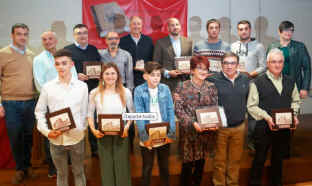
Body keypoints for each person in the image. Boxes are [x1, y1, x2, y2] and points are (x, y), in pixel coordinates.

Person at [35, 49, 88, 186]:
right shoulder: (47, 87)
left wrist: (82, 129)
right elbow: (39, 112)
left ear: (71, 64)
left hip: (76, 138)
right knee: (61, 174)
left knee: (79, 172)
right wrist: (47, 132)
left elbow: (85, 112)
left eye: (64, 63)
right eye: (57, 64)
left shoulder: (82, 87)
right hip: (56, 139)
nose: (61, 67)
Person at [247, 48, 300, 186]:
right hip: (264, 128)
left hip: (283, 129)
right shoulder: (257, 82)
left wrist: (294, 114)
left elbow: (295, 101)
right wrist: (267, 117)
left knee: (278, 160)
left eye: (280, 62)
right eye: (274, 62)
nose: (277, 65)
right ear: (268, 63)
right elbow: (251, 106)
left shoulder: (290, 81)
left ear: (283, 63)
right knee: (259, 159)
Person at [33, 31, 78, 178]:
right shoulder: (38, 60)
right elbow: (39, 83)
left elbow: (75, 76)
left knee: (69, 130)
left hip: (69, 101)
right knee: (53, 135)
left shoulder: (65, 57)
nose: (47, 41)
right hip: (50, 103)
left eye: (50, 38)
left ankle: (70, 163)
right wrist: (53, 98)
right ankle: (53, 167)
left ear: (56, 40)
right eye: (44, 39)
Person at [0, 23, 37, 184]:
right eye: (19, 34)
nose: (23, 37)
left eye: (25, 34)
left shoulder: (31, 54)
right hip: (11, 103)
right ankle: (19, 169)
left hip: (30, 102)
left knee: (28, 137)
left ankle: (27, 166)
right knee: (15, 137)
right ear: (12, 36)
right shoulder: (3, 54)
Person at [87, 62, 134, 186]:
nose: (110, 76)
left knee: (122, 165)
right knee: (106, 165)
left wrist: (127, 127)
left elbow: (132, 113)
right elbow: (90, 114)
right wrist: (93, 130)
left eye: (113, 73)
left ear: (118, 75)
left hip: (122, 133)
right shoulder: (94, 93)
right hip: (102, 134)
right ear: (102, 76)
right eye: (107, 73)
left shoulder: (126, 92)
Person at [175, 56, 218, 186]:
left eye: (205, 69)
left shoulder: (211, 87)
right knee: (187, 166)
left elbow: (215, 107)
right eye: (199, 68)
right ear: (192, 70)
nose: (203, 71)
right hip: (189, 132)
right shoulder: (182, 86)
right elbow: (178, 110)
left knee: (200, 165)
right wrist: (192, 123)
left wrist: (215, 122)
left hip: (206, 133)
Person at [208, 52, 250, 186]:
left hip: (239, 127)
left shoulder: (245, 79)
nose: (229, 66)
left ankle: (233, 183)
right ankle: (219, 183)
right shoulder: (213, 80)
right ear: (221, 65)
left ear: (237, 65)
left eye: (232, 63)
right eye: (226, 63)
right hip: (221, 129)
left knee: (235, 161)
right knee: (219, 162)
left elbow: (249, 100)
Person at [134, 61, 176, 186]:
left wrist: (171, 131)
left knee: (164, 166)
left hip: (164, 131)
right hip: (147, 133)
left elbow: (170, 110)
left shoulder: (165, 89)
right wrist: (144, 136)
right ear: (145, 76)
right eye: (152, 75)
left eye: (158, 75)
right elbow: (139, 114)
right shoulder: (139, 90)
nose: (156, 78)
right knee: (147, 167)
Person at [64, 24, 101, 157]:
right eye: (79, 33)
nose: (82, 35)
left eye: (85, 32)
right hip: (75, 92)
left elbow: (99, 68)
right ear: (74, 35)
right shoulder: (67, 50)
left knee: (93, 119)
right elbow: (63, 71)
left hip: (92, 91)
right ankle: (75, 151)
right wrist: (76, 76)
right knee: (76, 121)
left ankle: (95, 148)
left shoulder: (93, 49)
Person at [231, 20, 266, 152]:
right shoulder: (233, 46)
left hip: (252, 84)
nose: (243, 31)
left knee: (252, 115)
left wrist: (251, 74)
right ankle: (237, 140)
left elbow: (264, 66)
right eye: (240, 29)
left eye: (246, 28)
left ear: (250, 30)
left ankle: (251, 140)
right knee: (237, 113)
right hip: (236, 85)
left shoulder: (259, 46)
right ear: (238, 31)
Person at [267, 20, 311, 99]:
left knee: (293, 110)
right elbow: (268, 68)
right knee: (276, 110)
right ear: (279, 31)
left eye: (291, 30)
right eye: (286, 30)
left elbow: (307, 69)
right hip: (275, 85)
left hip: (293, 85)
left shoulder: (300, 47)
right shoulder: (272, 46)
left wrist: (305, 88)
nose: (289, 32)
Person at [153, 17, 192, 92]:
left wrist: (189, 70)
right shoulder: (160, 43)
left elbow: (191, 61)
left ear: (180, 27)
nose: (175, 27)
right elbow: (155, 64)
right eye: (172, 25)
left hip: (185, 82)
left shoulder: (188, 42)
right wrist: (167, 73)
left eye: (177, 25)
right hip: (167, 83)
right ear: (168, 28)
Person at [119, 16, 154, 87]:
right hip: (128, 78)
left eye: (138, 24)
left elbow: (152, 58)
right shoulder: (122, 41)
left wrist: (147, 69)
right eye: (134, 24)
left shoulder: (148, 40)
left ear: (142, 26)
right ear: (129, 25)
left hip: (145, 77)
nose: (136, 26)